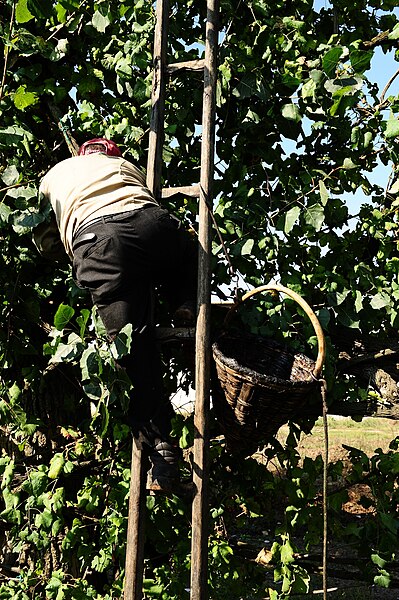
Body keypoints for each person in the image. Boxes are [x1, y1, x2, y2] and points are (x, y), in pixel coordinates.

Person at [33, 138, 197, 492]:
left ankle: (161, 448)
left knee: (131, 351)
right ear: (113, 156)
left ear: (79, 156)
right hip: (153, 225)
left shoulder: (53, 176)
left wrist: (70, 249)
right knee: (186, 254)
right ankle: (183, 302)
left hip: (99, 243)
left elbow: (44, 241)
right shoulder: (126, 167)